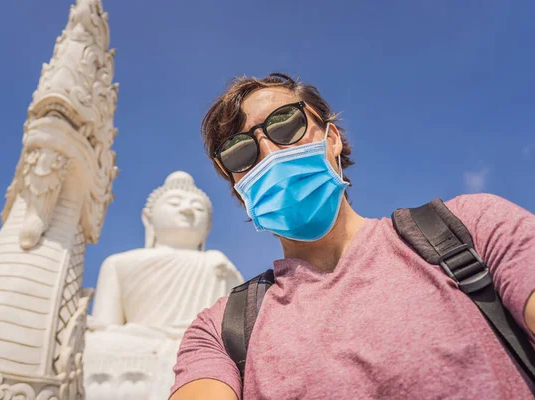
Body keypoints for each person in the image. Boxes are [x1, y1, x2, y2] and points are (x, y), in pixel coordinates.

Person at [169, 73, 535, 399]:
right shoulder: (219, 330)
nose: (268, 153)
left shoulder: (476, 226)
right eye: (240, 152)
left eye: (285, 124)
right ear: (238, 186)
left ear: (333, 139)